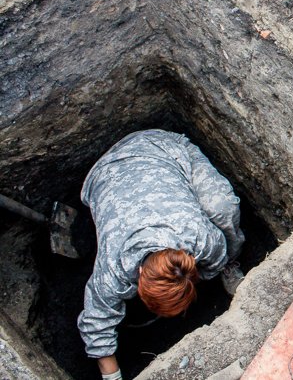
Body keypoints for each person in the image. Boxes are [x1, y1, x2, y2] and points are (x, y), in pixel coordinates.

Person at [77, 129, 246, 380]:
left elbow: (217, 252)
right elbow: (96, 323)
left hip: (166, 152)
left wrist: (214, 268)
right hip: (108, 172)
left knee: (224, 208)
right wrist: (112, 377)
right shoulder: (112, 269)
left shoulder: (199, 237)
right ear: (140, 273)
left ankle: (230, 266)